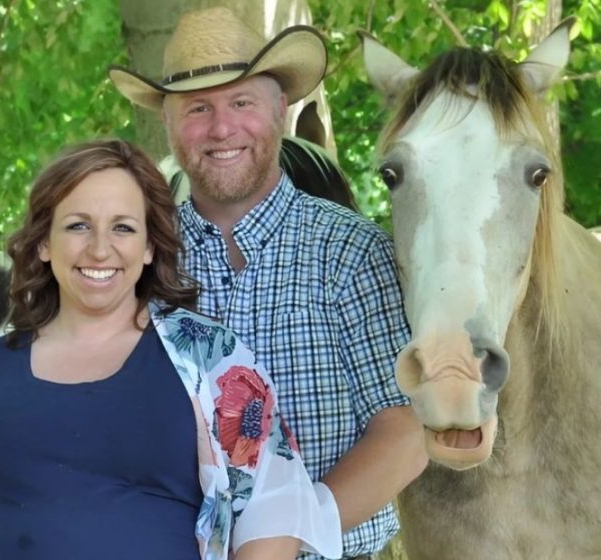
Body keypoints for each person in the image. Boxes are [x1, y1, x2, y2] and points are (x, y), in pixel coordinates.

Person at [109, 7, 428, 559]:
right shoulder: (141, 263)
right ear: (168, 122)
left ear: (280, 110)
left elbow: (404, 430)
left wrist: (283, 538)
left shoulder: (351, 253)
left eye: (241, 102)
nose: (221, 128)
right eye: (198, 108)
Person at [0, 139, 342, 560]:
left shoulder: (210, 358)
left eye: (123, 227)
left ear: (149, 247)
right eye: (78, 225)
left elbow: (274, 508)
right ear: (43, 244)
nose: (100, 248)